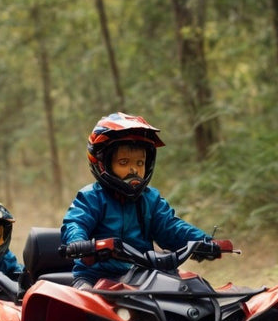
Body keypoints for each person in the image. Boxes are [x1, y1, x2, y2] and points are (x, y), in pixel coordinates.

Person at [61, 112, 216, 288]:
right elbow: (75, 223)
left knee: (193, 291)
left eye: (140, 163)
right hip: (96, 277)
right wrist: (78, 243)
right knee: (84, 303)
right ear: (102, 163)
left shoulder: (151, 199)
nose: (134, 169)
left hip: (143, 276)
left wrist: (204, 241)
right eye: (124, 162)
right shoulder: (91, 198)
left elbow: (171, 228)